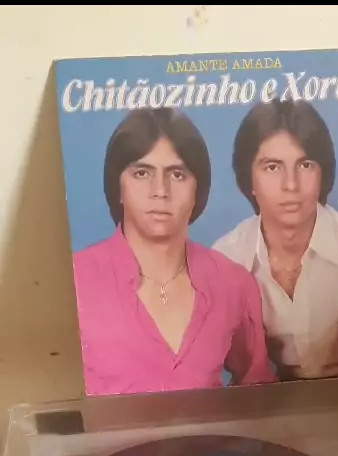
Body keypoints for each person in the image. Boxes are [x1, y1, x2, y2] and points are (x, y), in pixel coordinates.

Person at [72, 107, 276, 396]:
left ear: (197, 189)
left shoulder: (233, 284)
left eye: (177, 174)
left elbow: (257, 393)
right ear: (118, 186)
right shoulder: (74, 282)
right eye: (141, 173)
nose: (160, 190)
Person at [213, 99, 338, 380]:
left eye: (305, 165)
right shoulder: (226, 258)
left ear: (323, 174)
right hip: (264, 397)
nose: (291, 185)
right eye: (272, 167)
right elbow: (242, 374)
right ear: (249, 180)